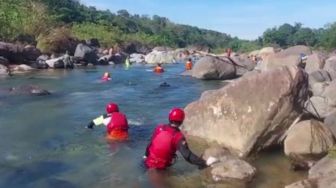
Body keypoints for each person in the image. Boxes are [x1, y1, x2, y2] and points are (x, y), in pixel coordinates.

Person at [144, 108, 216, 170]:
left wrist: (145, 156)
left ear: (169, 118)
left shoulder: (159, 128)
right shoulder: (178, 137)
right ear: (181, 121)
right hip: (161, 168)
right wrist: (204, 163)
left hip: (147, 162)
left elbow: (150, 144)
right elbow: (188, 156)